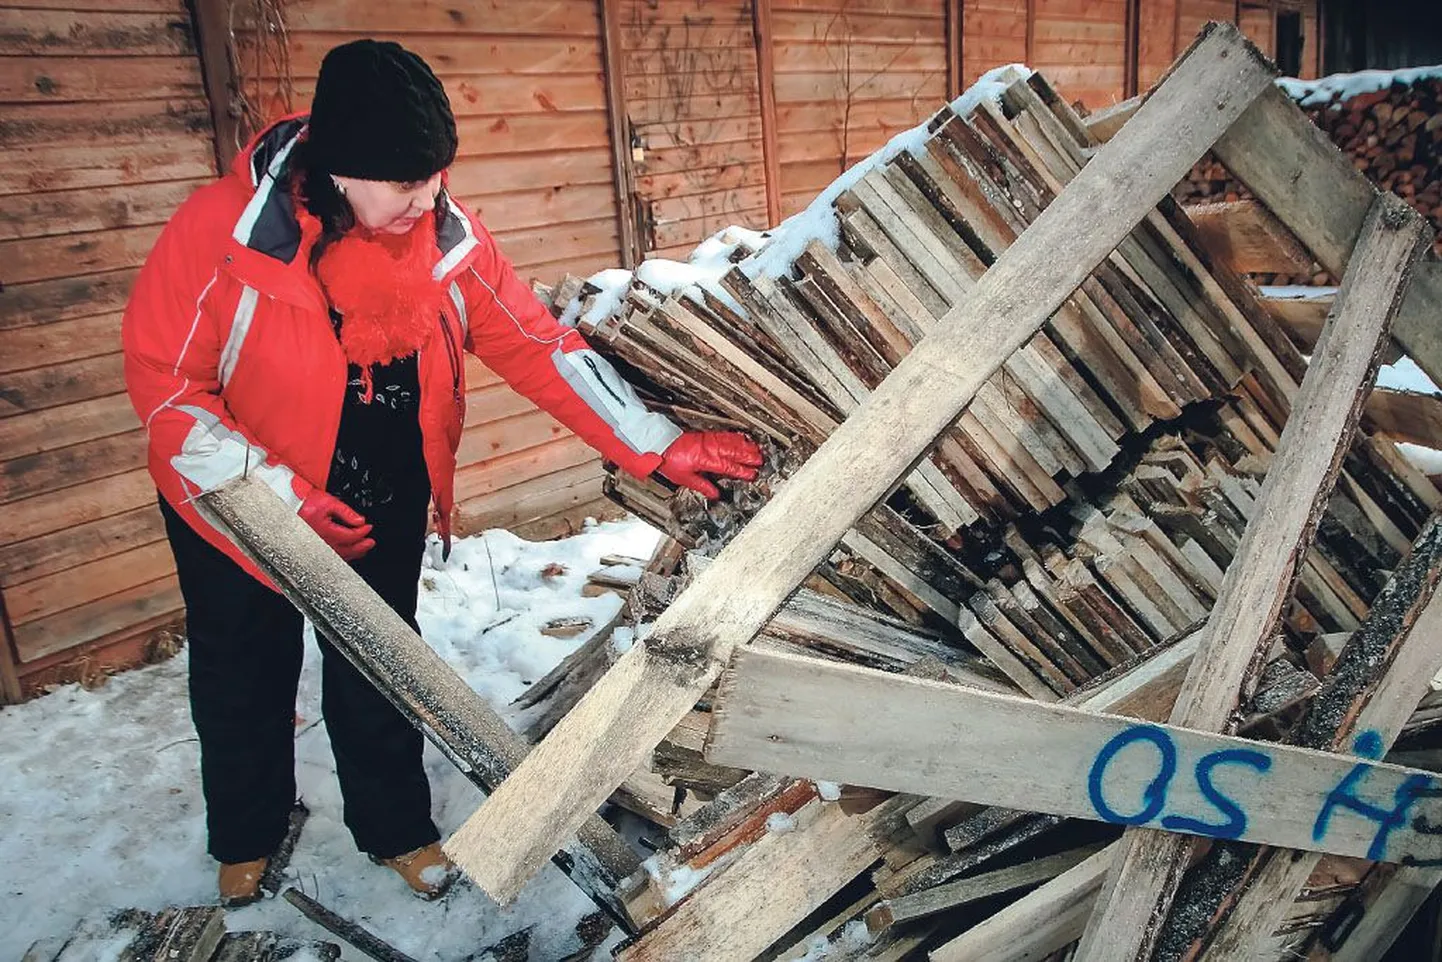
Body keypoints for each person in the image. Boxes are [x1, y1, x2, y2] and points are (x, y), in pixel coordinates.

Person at [121, 38, 763, 907]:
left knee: (380, 662)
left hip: (378, 483)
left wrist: (654, 444)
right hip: (235, 500)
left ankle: (395, 830)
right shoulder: (220, 238)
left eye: (436, 176)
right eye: (406, 182)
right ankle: (248, 832)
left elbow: (536, 342)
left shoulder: (446, 239)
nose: (428, 198)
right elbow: (167, 393)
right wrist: (278, 504)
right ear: (341, 169)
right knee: (242, 670)